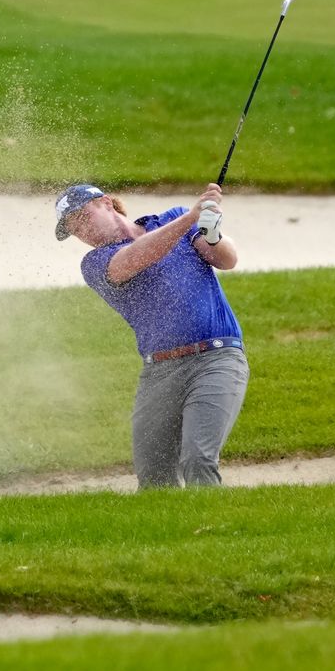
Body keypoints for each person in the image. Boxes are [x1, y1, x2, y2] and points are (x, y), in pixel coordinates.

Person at [53, 182, 247, 489]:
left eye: (83, 217)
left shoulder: (173, 217)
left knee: (198, 458)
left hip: (217, 359)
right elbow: (137, 257)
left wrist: (212, 234)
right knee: (154, 476)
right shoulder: (95, 263)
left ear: (106, 203)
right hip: (159, 373)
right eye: (74, 229)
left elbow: (227, 260)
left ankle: (212, 520)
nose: (82, 230)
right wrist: (190, 218)